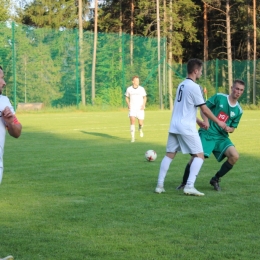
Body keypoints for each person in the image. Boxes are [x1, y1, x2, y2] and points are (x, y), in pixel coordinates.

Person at [154, 58, 226, 196]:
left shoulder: (181, 85)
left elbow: (185, 108)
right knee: (199, 156)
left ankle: (159, 185)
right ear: (195, 71)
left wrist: (198, 121)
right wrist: (218, 122)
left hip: (174, 125)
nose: (201, 73)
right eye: (201, 71)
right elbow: (204, 109)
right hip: (185, 127)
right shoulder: (194, 87)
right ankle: (189, 186)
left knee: (169, 154)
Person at [176, 79, 245, 191]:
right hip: (207, 133)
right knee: (196, 157)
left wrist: (229, 129)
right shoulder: (219, 97)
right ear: (232, 87)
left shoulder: (239, 110)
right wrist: (206, 121)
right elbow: (203, 109)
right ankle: (184, 183)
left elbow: (233, 128)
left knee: (234, 156)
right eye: (237, 88)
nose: (238, 91)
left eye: (241, 90)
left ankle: (215, 179)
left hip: (222, 137)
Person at [0, 66, 22, 184]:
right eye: (1, 78)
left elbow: (17, 132)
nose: (4, 83)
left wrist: (10, 121)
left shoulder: (4, 102)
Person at [125, 75, 147, 142]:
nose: (138, 82)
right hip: (132, 108)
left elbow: (145, 97)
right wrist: (128, 104)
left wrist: (143, 104)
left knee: (140, 123)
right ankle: (132, 138)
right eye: (136, 81)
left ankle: (140, 128)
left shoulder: (141, 89)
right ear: (133, 81)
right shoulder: (129, 89)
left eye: (138, 80)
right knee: (132, 121)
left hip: (140, 108)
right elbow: (126, 97)